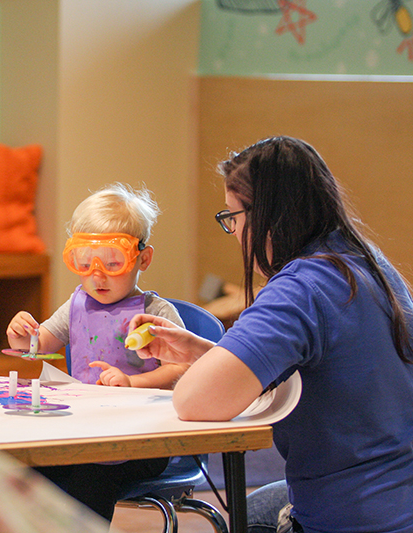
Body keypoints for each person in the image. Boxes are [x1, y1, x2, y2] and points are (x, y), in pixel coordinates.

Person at [131, 136, 413, 533]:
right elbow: (319, 372)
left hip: (354, 516)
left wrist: (205, 367)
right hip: (399, 497)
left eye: (233, 216)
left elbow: (193, 400)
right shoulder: (368, 264)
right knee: (263, 502)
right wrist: (205, 353)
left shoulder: (300, 287)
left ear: (267, 216)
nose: (233, 231)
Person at [6, 182, 186, 521]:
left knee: (90, 477)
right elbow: (38, 344)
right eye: (85, 263)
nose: (97, 277)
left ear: (142, 259)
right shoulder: (77, 304)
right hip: (85, 432)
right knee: (32, 473)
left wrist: (133, 383)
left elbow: (183, 368)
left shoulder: (155, 312)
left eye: (113, 263)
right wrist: (21, 334)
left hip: (142, 440)